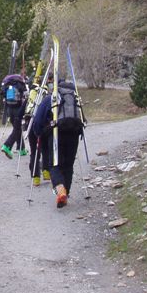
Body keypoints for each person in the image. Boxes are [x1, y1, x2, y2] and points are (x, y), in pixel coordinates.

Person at [50, 79, 84, 208]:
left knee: (55, 164)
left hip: (58, 133)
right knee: (69, 165)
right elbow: (82, 118)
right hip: (74, 132)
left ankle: (60, 190)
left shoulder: (55, 97)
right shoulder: (75, 97)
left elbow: (40, 120)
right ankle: (66, 194)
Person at [0, 73, 28, 159]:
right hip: (18, 109)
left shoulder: (7, 84)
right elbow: (26, 96)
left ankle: (21, 149)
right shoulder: (20, 84)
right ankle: (7, 146)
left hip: (9, 109)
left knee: (17, 128)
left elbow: (2, 94)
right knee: (17, 129)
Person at [28, 91, 54, 187]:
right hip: (42, 127)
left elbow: (21, 112)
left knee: (34, 152)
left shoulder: (30, 98)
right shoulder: (48, 99)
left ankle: (36, 178)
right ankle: (46, 172)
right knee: (45, 149)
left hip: (30, 125)